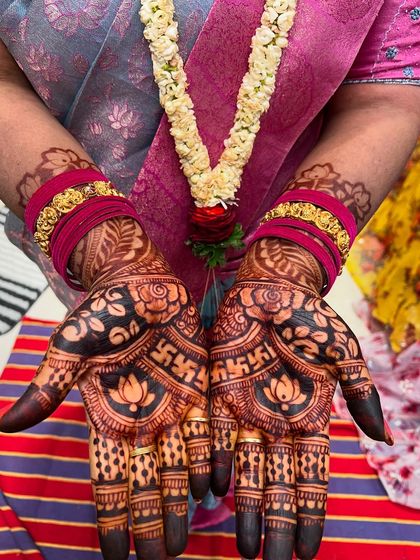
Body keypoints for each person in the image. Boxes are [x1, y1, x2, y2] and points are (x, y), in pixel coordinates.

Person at [0, 1, 419, 560]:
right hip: (80, 217)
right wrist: (109, 254)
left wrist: (290, 262)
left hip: (274, 206)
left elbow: (387, 94)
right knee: (120, 352)